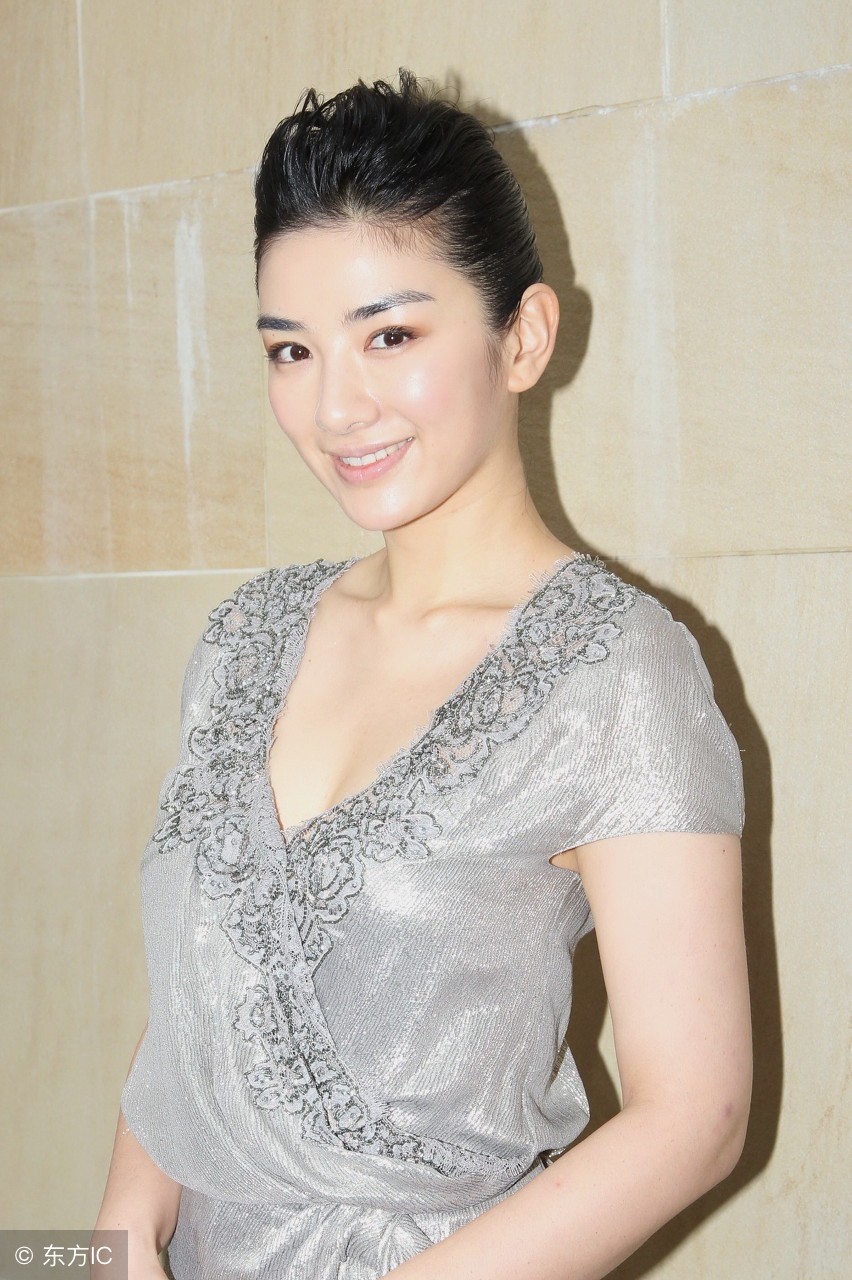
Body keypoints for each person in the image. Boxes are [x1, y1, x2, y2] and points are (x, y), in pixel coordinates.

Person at [94, 72, 752, 1280]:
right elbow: (209, 986)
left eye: (389, 336)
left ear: (525, 336)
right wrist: (113, 1236)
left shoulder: (619, 672)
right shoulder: (245, 637)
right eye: (291, 350)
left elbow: (694, 1115)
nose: (335, 405)